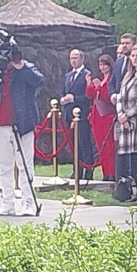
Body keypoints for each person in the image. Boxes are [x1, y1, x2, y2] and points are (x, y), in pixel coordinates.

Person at [0, 40, 45, 216]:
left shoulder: (24, 68)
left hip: (22, 123)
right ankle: (8, 202)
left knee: (25, 165)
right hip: (0, 124)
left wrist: (21, 66)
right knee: (4, 166)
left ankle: (27, 202)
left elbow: (40, 81)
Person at [115, 44, 137, 201]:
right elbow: (120, 97)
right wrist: (121, 115)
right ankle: (130, 188)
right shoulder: (128, 75)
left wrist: (128, 115)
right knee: (126, 157)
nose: (135, 59)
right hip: (124, 122)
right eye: (133, 56)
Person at [60, 49, 94, 180]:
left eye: (75, 58)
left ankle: (88, 170)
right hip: (69, 114)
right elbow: (63, 92)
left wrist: (73, 98)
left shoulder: (87, 75)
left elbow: (88, 96)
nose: (73, 60)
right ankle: (77, 170)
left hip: (82, 114)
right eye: (71, 58)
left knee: (84, 142)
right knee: (73, 144)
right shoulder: (68, 76)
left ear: (82, 59)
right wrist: (63, 99)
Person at [85, 54, 117, 181]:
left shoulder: (111, 80)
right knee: (100, 145)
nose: (102, 67)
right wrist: (89, 84)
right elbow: (90, 95)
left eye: (105, 64)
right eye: (101, 65)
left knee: (109, 145)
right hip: (97, 116)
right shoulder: (100, 79)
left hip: (107, 116)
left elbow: (108, 97)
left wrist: (99, 87)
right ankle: (105, 172)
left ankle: (112, 172)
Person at [110, 32, 137, 98]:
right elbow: (112, 81)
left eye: (127, 43)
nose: (124, 45)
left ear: (134, 45)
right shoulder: (118, 62)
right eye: (122, 43)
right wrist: (113, 94)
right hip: (119, 100)